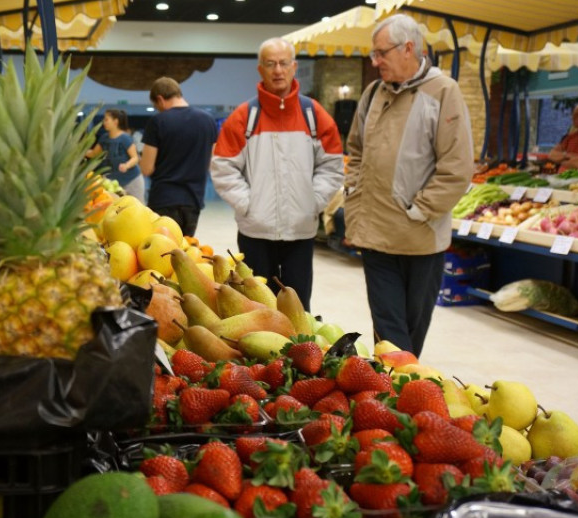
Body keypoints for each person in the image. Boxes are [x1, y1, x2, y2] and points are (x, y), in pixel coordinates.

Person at [342, 14, 474, 358]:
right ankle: (393, 394)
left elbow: (457, 168)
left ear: (409, 49)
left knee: (412, 332)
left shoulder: (444, 92)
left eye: (382, 53)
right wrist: (354, 194)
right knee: (388, 333)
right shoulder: (373, 94)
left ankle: (406, 394)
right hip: (375, 236)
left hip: (420, 238)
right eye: (374, 54)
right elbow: (354, 150)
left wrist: (419, 210)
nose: (376, 61)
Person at [210, 38, 344, 309]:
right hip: (255, 232)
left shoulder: (314, 115)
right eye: (270, 64)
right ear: (261, 69)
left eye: (284, 63)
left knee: (298, 307)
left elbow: (332, 166)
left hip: (300, 233)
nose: (278, 70)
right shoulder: (243, 118)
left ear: (294, 67)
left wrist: (312, 202)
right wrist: (249, 205)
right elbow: (223, 168)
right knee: (256, 306)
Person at [140, 77, 218, 237]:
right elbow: (213, 163)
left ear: (160, 99)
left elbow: (146, 168)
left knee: (161, 253)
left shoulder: (157, 122)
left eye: (156, 106)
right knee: (186, 252)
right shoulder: (208, 120)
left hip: (163, 199)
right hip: (193, 199)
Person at [86, 109, 145, 202]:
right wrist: (79, 151)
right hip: (114, 183)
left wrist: (126, 165)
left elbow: (135, 158)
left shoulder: (125, 138)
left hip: (132, 180)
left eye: (106, 119)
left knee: (138, 208)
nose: (103, 122)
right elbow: (93, 154)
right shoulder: (104, 138)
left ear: (115, 121)